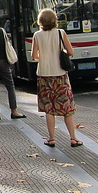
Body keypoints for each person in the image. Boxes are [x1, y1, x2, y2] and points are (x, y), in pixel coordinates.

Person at [31, 8, 83, 148]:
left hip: (43, 75)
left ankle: (52, 139)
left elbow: (34, 56)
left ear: (40, 21)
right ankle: (73, 138)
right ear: (55, 20)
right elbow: (70, 51)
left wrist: (45, 56)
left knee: (49, 108)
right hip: (60, 74)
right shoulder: (61, 33)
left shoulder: (37, 35)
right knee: (66, 107)